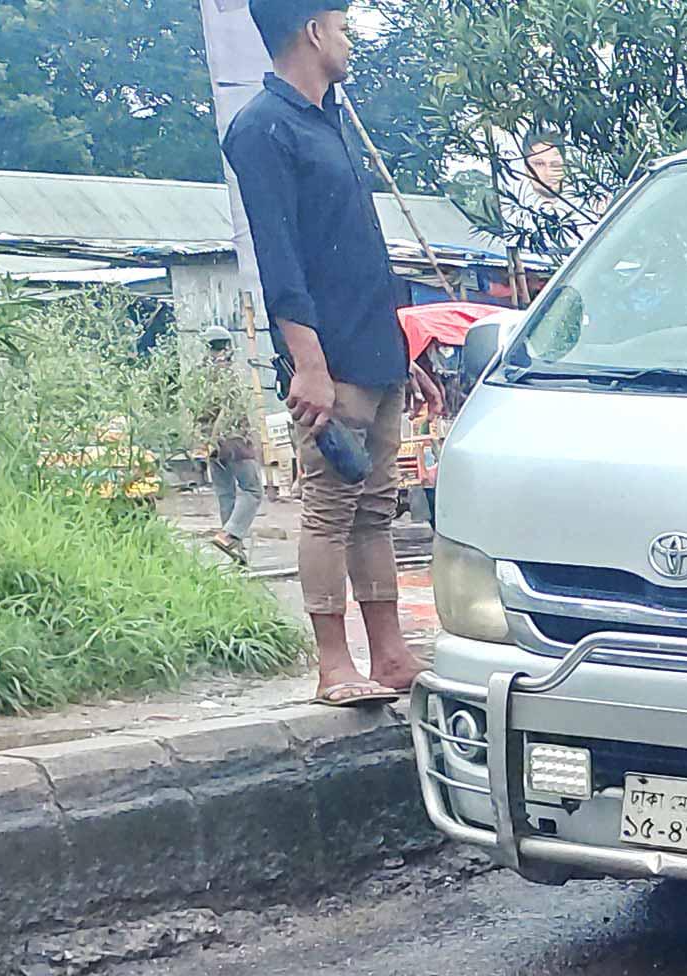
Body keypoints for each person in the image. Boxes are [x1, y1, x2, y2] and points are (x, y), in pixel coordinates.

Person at [223, 0, 431, 706]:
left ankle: (392, 653)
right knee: (328, 508)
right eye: (342, 27)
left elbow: (363, 248)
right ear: (313, 32)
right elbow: (279, 260)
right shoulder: (261, 129)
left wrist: (410, 348)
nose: (348, 42)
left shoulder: (331, 118)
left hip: (377, 346)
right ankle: (334, 664)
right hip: (330, 357)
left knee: (378, 506)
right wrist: (307, 363)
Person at [188, 326, 265, 562]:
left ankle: (236, 552)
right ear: (228, 346)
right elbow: (229, 411)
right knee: (252, 490)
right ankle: (230, 535)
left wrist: (204, 442)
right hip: (234, 442)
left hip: (212, 446)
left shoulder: (198, 376)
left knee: (225, 494)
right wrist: (218, 438)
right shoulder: (227, 374)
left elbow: (195, 412)